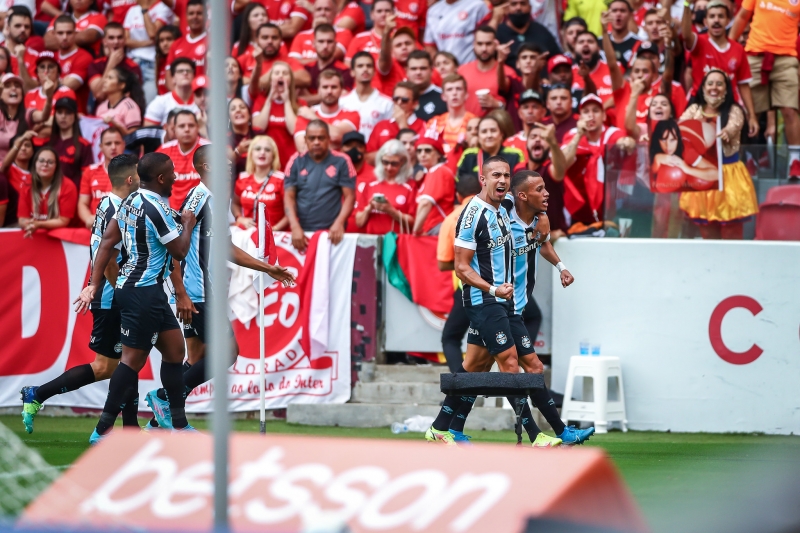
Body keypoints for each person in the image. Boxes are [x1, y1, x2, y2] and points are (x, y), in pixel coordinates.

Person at [145, 145, 296, 430]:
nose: (229, 165)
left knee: (197, 359)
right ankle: (165, 397)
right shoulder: (198, 198)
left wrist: (267, 268)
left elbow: (226, 247)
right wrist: (182, 294)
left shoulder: (219, 199)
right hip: (198, 292)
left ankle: (161, 422)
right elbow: (174, 247)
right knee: (228, 353)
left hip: (204, 290)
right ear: (206, 167)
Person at [73, 152, 198, 442]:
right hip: (142, 292)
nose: (176, 178)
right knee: (130, 362)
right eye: (172, 174)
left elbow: (106, 242)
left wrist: (93, 283)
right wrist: (188, 223)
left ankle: (177, 424)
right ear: (162, 178)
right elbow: (179, 250)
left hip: (143, 289)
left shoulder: (130, 201)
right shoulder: (155, 208)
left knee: (175, 351)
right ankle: (103, 430)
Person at [20, 154, 141, 434]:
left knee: (128, 360)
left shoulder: (107, 204)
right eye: (139, 174)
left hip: (109, 293)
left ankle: (131, 428)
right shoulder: (117, 210)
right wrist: (124, 295)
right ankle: (37, 394)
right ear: (131, 179)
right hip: (113, 296)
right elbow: (109, 259)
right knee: (110, 366)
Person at [424, 156, 516, 445]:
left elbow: (528, 203)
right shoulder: (470, 214)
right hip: (481, 297)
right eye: (496, 175)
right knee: (512, 362)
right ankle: (538, 433)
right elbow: (457, 266)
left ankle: (444, 427)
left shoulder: (503, 207)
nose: (502, 180)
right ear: (482, 180)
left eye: (507, 175)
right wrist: (492, 288)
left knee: (476, 364)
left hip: (497, 298)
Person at [679, 70, 759, 239]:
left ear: (726, 89)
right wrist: (654, 135)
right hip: (704, 175)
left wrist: (726, 133)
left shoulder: (734, 110)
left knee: (731, 232)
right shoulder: (694, 109)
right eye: (710, 83)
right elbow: (678, 129)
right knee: (707, 233)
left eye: (719, 83)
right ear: (703, 87)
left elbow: (734, 126)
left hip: (728, 176)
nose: (714, 87)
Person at [683, 0, 757, 136]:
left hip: (728, 107)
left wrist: (752, 115)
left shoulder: (738, 49)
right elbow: (686, 35)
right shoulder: (699, 42)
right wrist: (687, 5)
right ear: (705, 22)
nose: (716, 20)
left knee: (730, 151)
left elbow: (744, 85)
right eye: (712, 16)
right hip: (699, 104)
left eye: (721, 16)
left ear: (728, 20)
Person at [284, 119, 355, 251]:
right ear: (305, 139)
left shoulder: (342, 161)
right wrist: (294, 226)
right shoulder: (295, 161)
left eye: (321, 138)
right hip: (303, 233)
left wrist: (339, 223)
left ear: (329, 139)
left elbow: (350, 197)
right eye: (312, 138)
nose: (316, 142)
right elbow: (289, 196)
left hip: (333, 234)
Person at [561, 94, 631, 227]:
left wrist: (628, 142)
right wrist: (579, 136)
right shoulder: (572, 135)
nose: (591, 115)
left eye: (595, 111)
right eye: (586, 112)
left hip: (611, 207)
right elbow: (562, 163)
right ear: (580, 117)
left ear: (604, 116)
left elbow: (625, 142)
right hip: (579, 208)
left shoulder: (613, 133)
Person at [354, 139, 415, 234]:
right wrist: (370, 207)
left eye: (394, 163)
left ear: (402, 162)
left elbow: (414, 223)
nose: (389, 167)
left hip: (398, 241)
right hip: (372, 240)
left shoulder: (410, 186)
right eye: (385, 162)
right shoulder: (371, 184)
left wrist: (391, 211)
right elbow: (359, 222)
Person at [458, 26, 518, 116]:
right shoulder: (462, 71)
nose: (484, 48)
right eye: (480, 44)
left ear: (496, 44)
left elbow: (515, 107)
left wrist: (497, 104)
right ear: (473, 44)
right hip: (467, 127)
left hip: (496, 127)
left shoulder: (508, 72)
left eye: (488, 44)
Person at [294, 69, 359, 151]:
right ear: (318, 90)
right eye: (325, 87)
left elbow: (336, 135)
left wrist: (313, 117)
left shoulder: (352, 114)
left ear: (341, 90)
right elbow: (303, 149)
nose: (329, 91)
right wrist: (335, 144)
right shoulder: (304, 114)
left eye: (334, 87)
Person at [251, 62, 301, 168]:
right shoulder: (260, 101)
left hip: (291, 164)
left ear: (290, 80)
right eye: (276, 73)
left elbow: (294, 130)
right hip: (268, 164)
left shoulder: (300, 104)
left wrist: (287, 101)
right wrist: (270, 98)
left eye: (285, 73)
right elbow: (258, 128)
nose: (281, 75)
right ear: (270, 79)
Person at [18, 146, 77, 236]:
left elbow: (63, 221)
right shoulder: (26, 184)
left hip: (63, 237)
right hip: (35, 233)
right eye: (41, 161)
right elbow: (22, 218)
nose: (45, 164)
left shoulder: (68, 186)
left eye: (50, 162)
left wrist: (39, 224)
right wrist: (30, 224)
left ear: (56, 166)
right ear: (35, 163)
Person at [156, 109, 208, 209]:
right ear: (174, 129)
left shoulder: (208, 149)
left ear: (198, 127)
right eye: (182, 126)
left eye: (191, 125)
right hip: (172, 213)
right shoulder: (163, 151)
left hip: (204, 214)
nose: (187, 129)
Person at [232, 135, 287, 230]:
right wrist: (240, 218)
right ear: (251, 154)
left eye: (267, 150)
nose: (262, 152)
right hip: (248, 235)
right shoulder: (242, 178)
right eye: (257, 149)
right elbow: (234, 203)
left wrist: (275, 229)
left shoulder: (282, 179)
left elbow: (292, 211)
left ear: (273, 155)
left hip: (275, 236)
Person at [123, 0, 174, 102]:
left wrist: (144, 10)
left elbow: (153, 33)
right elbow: (125, 40)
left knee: (149, 103)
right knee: (129, 102)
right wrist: (148, 43)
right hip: (132, 62)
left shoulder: (163, 7)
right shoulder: (132, 10)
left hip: (152, 63)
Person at [77, 128, 126, 228]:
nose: (113, 147)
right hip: (96, 228)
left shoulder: (135, 173)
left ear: (123, 144)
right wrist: (88, 218)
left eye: (117, 143)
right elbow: (82, 203)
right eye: (108, 144)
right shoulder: (90, 171)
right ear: (101, 147)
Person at [366, 81, 425, 164]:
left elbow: (420, 157)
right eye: (395, 99)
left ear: (415, 104)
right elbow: (368, 158)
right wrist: (391, 154)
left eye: (404, 100)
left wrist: (403, 126)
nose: (399, 102)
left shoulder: (423, 126)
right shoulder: (381, 125)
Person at [526, 122, 567, 236]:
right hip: (524, 240)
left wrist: (553, 142)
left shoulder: (549, 169)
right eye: (533, 137)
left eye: (543, 138)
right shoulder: (518, 170)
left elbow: (560, 170)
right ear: (526, 143)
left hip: (555, 239)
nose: (538, 140)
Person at [340, 51, 393, 140]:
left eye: (369, 66)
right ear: (352, 72)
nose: (365, 69)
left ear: (374, 72)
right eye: (360, 66)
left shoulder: (386, 103)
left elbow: (389, 131)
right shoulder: (341, 101)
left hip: (375, 151)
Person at [88, 22, 144, 105]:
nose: (116, 41)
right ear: (104, 41)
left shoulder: (133, 67)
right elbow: (99, 94)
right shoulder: (95, 65)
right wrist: (111, 64)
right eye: (111, 38)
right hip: (99, 113)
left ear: (124, 40)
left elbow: (133, 97)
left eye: (120, 37)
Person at [457, 115, 525, 183]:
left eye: (493, 130)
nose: (489, 135)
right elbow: (460, 183)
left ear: (501, 134)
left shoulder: (515, 155)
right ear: (478, 136)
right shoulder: (468, 155)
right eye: (484, 131)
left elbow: (520, 184)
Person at [497, 0, 561, 68]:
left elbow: (557, 59)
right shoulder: (498, 33)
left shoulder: (541, 31)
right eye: (514, 4)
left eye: (523, 4)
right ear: (507, 9)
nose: (518, 7)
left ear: (530, 8)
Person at [296, 23, 353, 99]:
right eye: (321, 41)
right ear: (313, 44)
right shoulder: (305, 69)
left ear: (335, 44)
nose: (325, 46)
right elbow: (296, 99)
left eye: (329, 42)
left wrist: (310, 98)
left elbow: (342, 98)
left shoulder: (345, 71)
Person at [423, 0, 490, 65]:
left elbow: (487, 38)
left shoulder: (477, 5)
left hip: (471, 67)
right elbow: (430, 47)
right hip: (446, 72)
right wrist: (442, 66)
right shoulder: (433, 11)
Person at [47, 97, 93, 190]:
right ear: (55, 115)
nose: (63, 116)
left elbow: (86, 177)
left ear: (75, 116)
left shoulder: (84, 145)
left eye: (68, 113)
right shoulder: (48, 143)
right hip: (50, 194)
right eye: (59, 112)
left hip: (74, 195)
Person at [24, 51, 76, 134]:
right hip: (33, 143)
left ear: (58, 72)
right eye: (42, 67)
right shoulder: (30, 94)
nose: (46, 71)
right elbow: (26, 122)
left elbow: (63, 120)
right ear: (37, 72)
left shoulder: (66, 92)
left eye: (51, 66)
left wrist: (40, 124)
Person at [424, 73, 476, 156]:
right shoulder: (434, 122)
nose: (454, 93)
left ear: (466, 94)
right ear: (443, 96)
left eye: (458, 89)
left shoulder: (474, 122)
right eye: (449, 89)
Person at [51, 15, 94, 112]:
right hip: (51, 112)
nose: (65, 37)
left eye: (69, 33)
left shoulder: (84, 57)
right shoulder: (51, 57)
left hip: (75, 113)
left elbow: (67, 86)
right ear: (53, 34)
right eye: (60, 33)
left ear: (75, 33)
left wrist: (50, 82)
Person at [412, 135, 453, 235]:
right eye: (419, 151)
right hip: (435, 227)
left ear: (438, 154)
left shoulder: (437, 171)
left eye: (428, 150)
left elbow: (425, 203)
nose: (423, 154)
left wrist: (416, 231)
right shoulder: (432, 172)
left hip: (437, 227)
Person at [144, 57, 201, 126]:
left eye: (188, 71)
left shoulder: (202, 101)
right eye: (180, 71)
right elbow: (149, 132)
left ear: (194, 76)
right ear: (173, 78)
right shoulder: (160, 102)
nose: (185, 73)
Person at [164, 0, 206, 79]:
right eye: (191, 13)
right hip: (180, 91)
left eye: (199, 13)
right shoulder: (176, 45)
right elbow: (169, 77)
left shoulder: (213, 43)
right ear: (186, 16)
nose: (195, 17)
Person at [95, 67, 143, 136]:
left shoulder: (130, 106)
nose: (105, 81)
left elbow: (133, 138)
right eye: (105, 77)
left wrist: (115, 125)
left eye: (110, 78)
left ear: (122, 85)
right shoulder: (101, 107)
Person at [0, 130, 35, 226]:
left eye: (27, 145)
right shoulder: (8, 169)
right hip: (10, 222)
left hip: (30, 221)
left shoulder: (38, 175)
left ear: (33, 151)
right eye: (20, 146)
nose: (23, 148)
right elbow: (3, 168)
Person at [406, 50, 445, 121]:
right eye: (413, 69)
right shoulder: (400, 99)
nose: (418, 72)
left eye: (423, 68)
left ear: (431, 71)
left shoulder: (444, 96)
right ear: (407, 72)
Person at [607, 0, 640, 70]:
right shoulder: (598, 43)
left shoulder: (639, 44)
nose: (618, 14)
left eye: (622, 11)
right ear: (608, 15)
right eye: (614, 11)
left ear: (630, 15)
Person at [228, 97, 253, 175]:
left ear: (249, 115)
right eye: (233, 109)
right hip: (234, 184)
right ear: (229, 118)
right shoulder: (225, 138)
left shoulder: (259, 134)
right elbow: (224, 162)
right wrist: (238, 151)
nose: (238, 110)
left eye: (242, 107)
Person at [154, 24, 180, 96]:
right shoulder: (159, 62)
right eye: (161, 41)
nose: (165, 44)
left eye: (169, 39)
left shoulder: (181, 63)